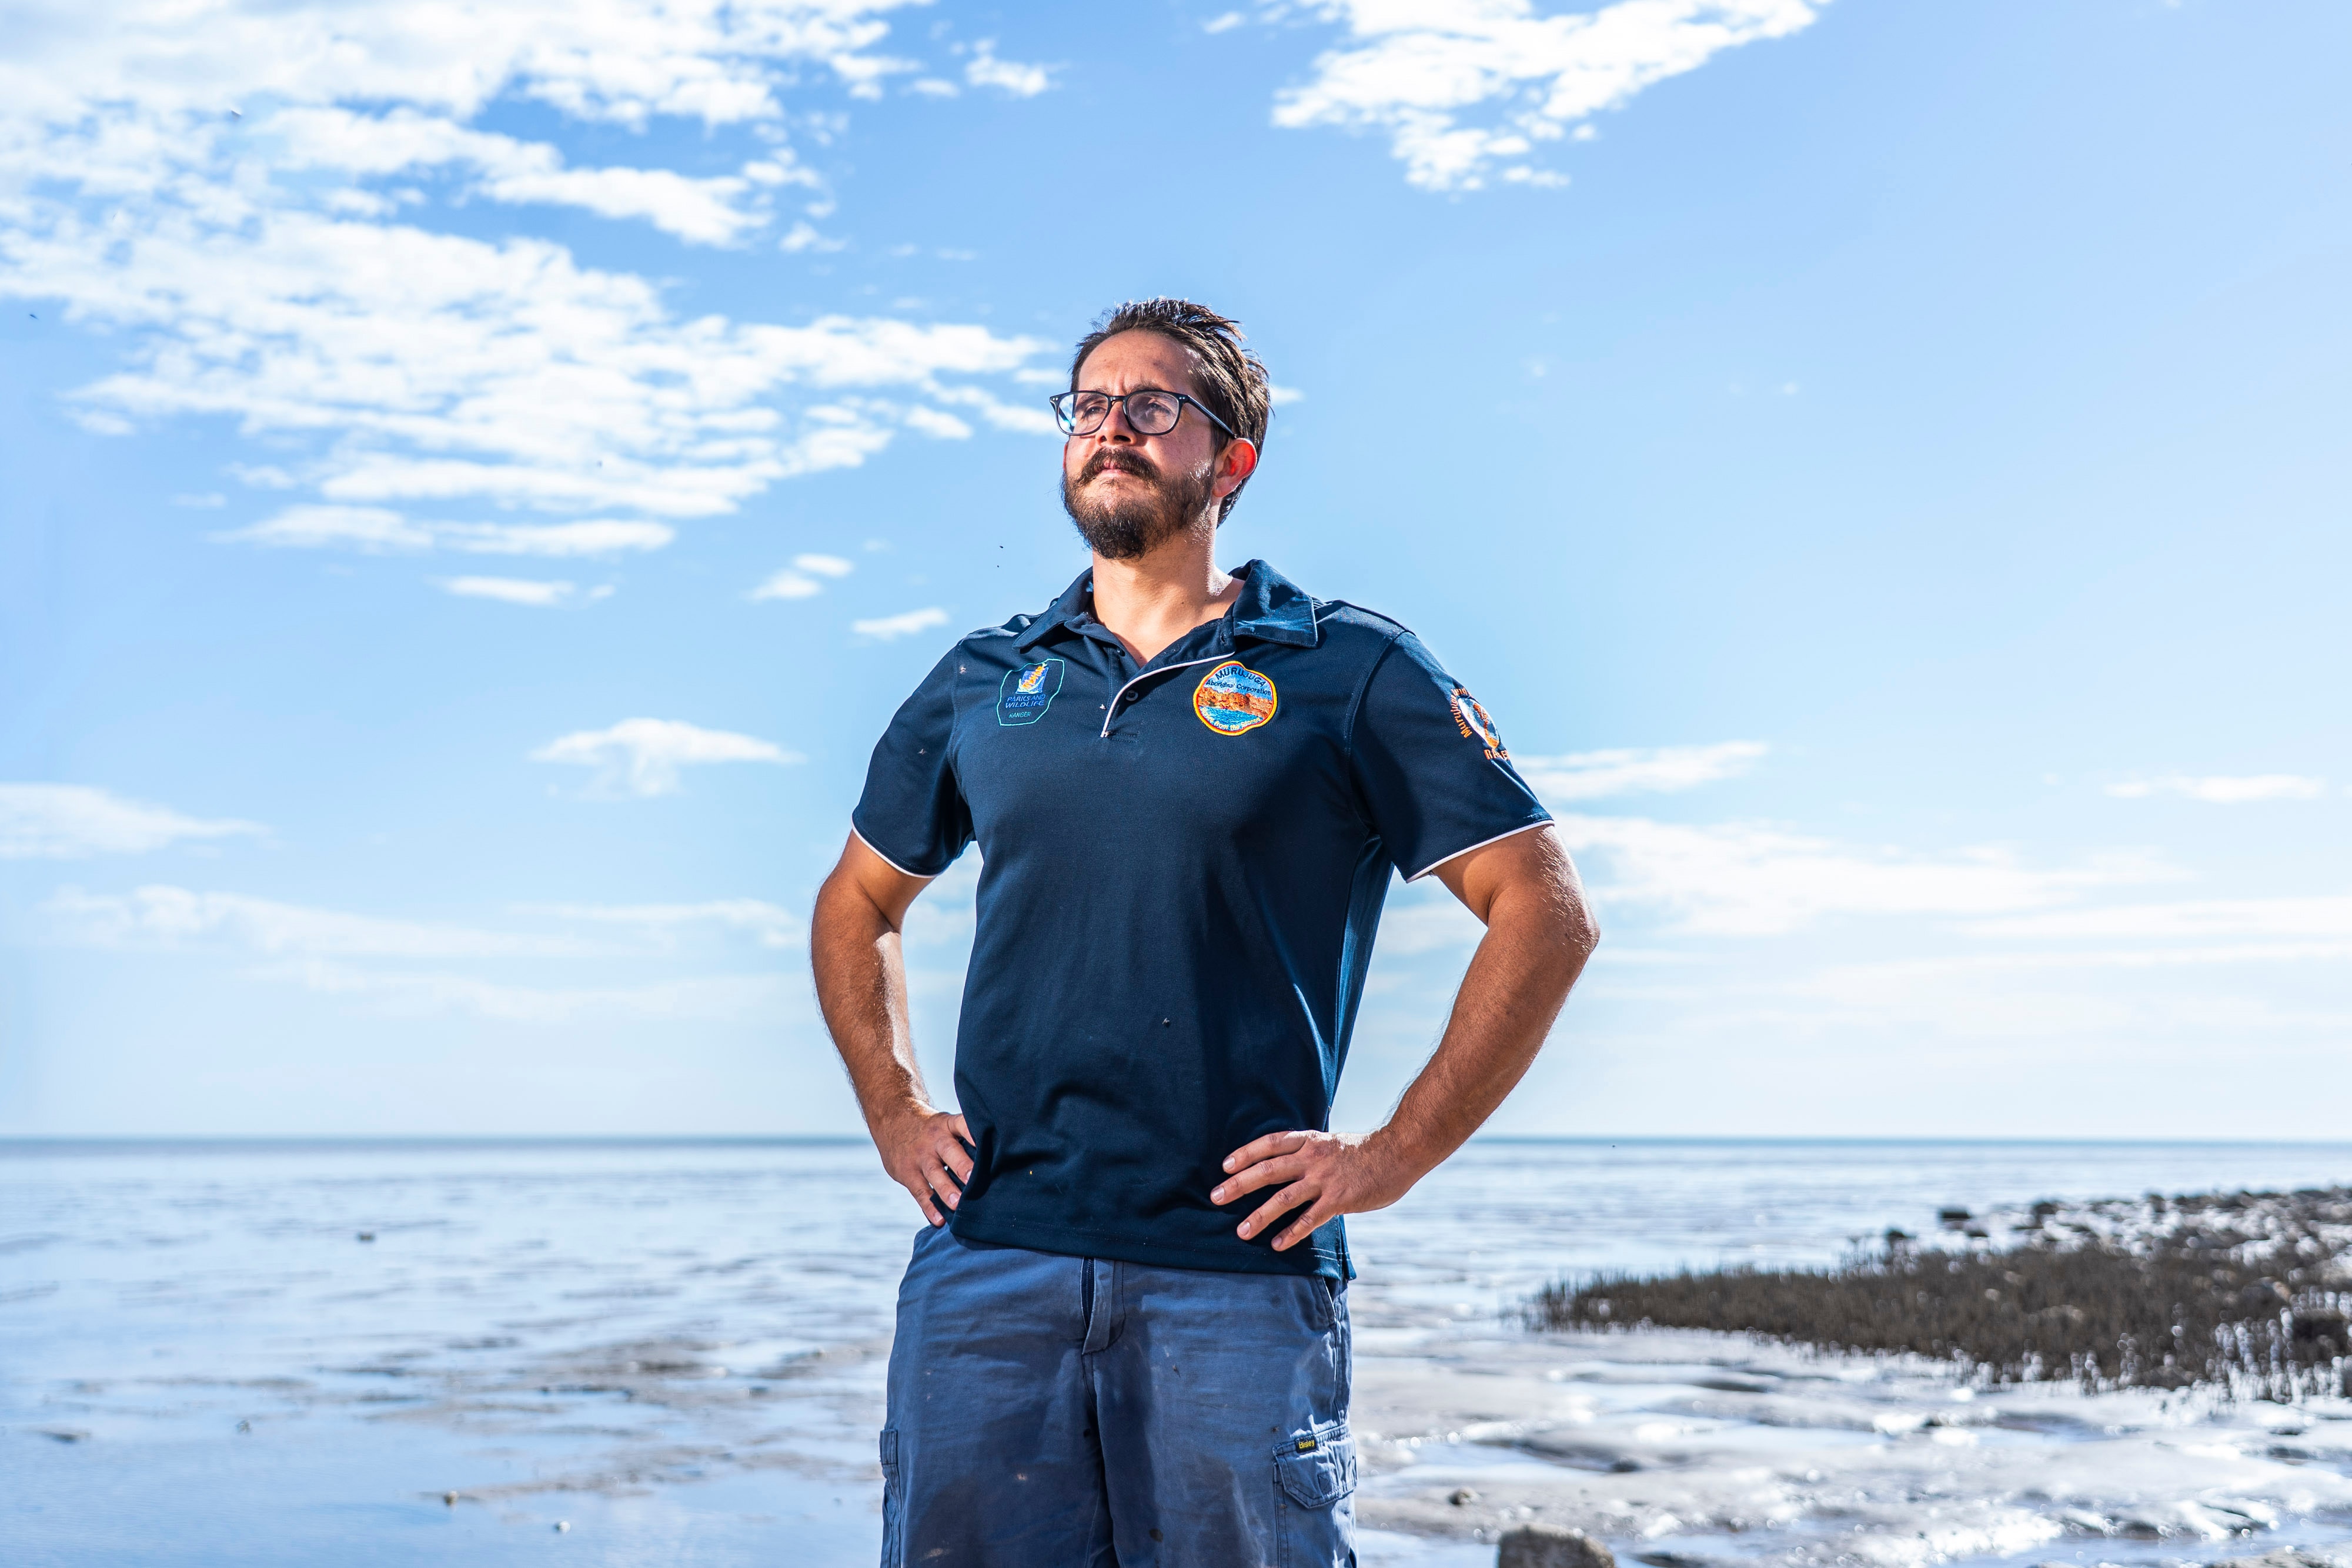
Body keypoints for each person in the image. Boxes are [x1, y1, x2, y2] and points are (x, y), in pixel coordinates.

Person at [810, 297, 1599, 1566]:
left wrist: (1389, 1155)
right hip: (987, 1263)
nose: (1108, 427)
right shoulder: (983, 678)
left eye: (1150, 405)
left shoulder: (1345, 666)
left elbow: (1545, 911)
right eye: (1087, 405)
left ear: (1231, 461)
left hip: (1237, 1275)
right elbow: (857, 903)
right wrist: (895, 1107)